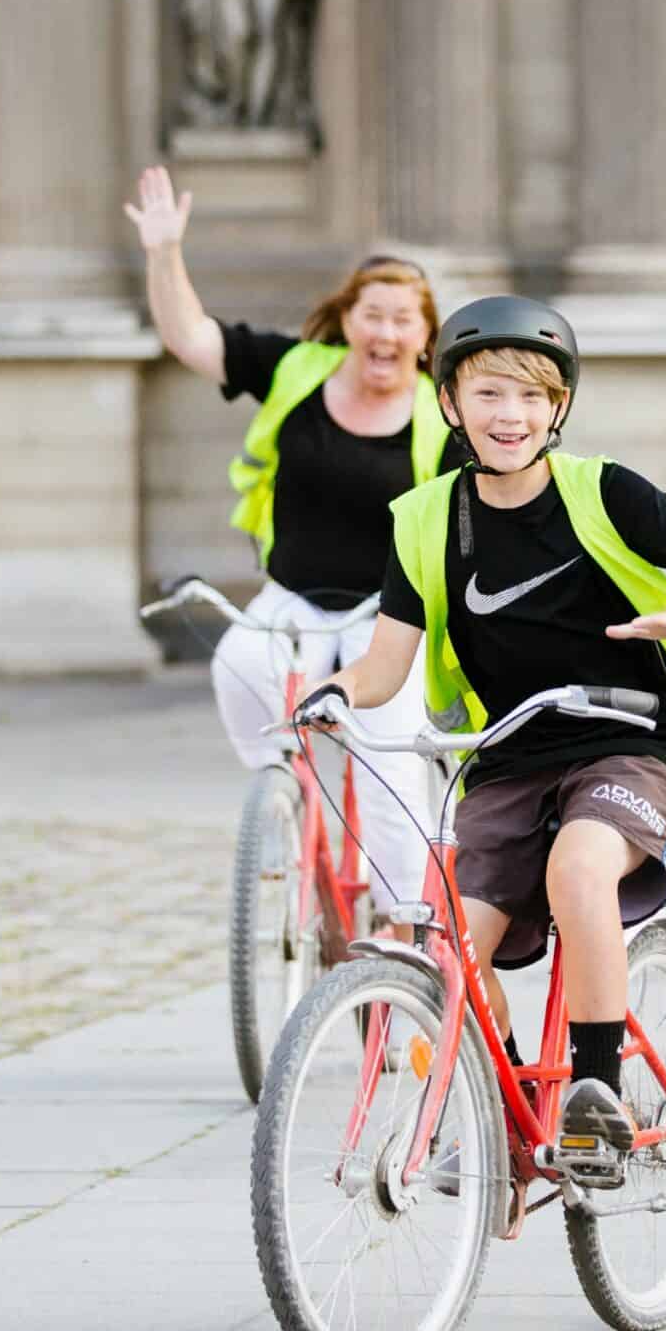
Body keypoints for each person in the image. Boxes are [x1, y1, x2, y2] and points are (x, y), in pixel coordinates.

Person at [295, 298, 666, 1157]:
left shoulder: (602, 491)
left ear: (558, 410)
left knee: (576, 867)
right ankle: (511, 1121)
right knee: (448, 946)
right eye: (488, 395)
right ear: (449, 405)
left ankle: (593, 1092)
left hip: (637, 743)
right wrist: (331, 693)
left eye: (530, 396)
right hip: (512, 756)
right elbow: (381, 669)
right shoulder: (427, 520)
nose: (509, 415)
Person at [124, 163, 453, 916]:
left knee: (392, 769)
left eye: (404, 319)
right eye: (373, 314)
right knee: (239, 664)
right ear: (347, 319)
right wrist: (164, 251)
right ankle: (281, 801)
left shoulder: (444, 415)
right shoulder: (296, 371)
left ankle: (401, 931)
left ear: (425, 335)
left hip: (388, 615)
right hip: (296, 593)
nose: (386, 331)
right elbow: (189, 337)